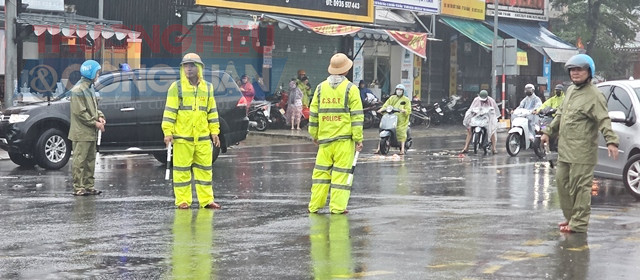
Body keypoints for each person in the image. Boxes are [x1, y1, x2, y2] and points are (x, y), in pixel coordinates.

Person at [541, 54, 619, 233]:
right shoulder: (570, 91)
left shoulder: (594, 96)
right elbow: (560, 115)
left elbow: (604, 120)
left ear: (589, 72)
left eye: (579, 69)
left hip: (583, 152)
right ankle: (571, 218)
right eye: (572, 70)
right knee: (562, 184)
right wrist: (548, 132)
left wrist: (611, 141)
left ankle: (579, 223)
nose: (575, 73)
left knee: (580, 188)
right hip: (565, 150)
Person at [162, 53, 221, 209]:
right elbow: (169, 112)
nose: (188, 68)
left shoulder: (208, 88)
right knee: (181, 171)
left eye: (192, 65)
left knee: (205, 171)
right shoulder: (176, 88)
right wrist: (168, 132)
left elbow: (212, 112)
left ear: (199, 67)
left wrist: (214, 132)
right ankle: (183, 200)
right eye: (186, 66)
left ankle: (207, 200)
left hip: (202, 138)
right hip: (183, 138)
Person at [308, 53, 363, 214]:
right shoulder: (351, 89)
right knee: (341, 176)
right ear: (346, 71)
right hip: (344, 142)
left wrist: (314, 134)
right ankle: (338, 207)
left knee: (320, 175)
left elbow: (313, 113)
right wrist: (358, 139)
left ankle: (314, 206)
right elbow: (357, 116)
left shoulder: (320, 88)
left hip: (324, 142)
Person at [69, 60, 106, 196]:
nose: (98, 75)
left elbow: (94, 108)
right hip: (81, 133)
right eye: (97, 72)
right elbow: (80, 113)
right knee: (80, 160)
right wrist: (95, 123)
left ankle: (89, 186)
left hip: (90, 133)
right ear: (90, 73)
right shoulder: (78, 90)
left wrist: (100, 116)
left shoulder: (90, 89)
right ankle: (79, 187)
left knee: (90, 161)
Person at [374, 84, 411, 155]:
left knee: (401, 132)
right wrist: (381, 109)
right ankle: (378, 148)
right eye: (398, 89)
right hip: (391, 117)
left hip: (401, 119)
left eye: (400, 90)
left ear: (403, 91)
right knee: (383, 129)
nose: (399, 91)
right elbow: (386, 105)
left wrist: (404, 111)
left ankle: (402, 149)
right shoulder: (392, 98)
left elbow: (408, 110)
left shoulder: (406, 100)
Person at [460, 90, 500, 154]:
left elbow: (494, 112)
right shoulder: (476, 100)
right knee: (469, 130)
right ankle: (466, 148)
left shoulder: (491, 101)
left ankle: (494, 148)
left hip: (486, 119)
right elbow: (471, 109)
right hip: (477, 118)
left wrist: (492, 115)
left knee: (492, 130)